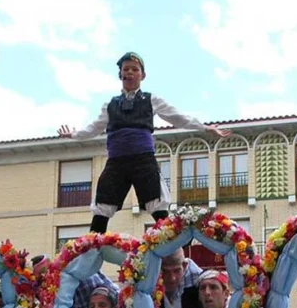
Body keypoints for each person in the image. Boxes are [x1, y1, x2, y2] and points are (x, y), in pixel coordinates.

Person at [57, 51, 229, 233]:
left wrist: (204, 127)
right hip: (116, 162)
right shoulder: (110, 105)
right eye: (126, 69)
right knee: (103, 204)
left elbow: (177, 117)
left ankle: (174, 256)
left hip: (143, 160)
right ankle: (89, 252)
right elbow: (94, 127)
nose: (129, 73)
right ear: (120, 75)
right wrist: (74, 134)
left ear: (142, 75)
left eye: (134, 69)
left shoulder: (151, 99)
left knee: (157, 205)